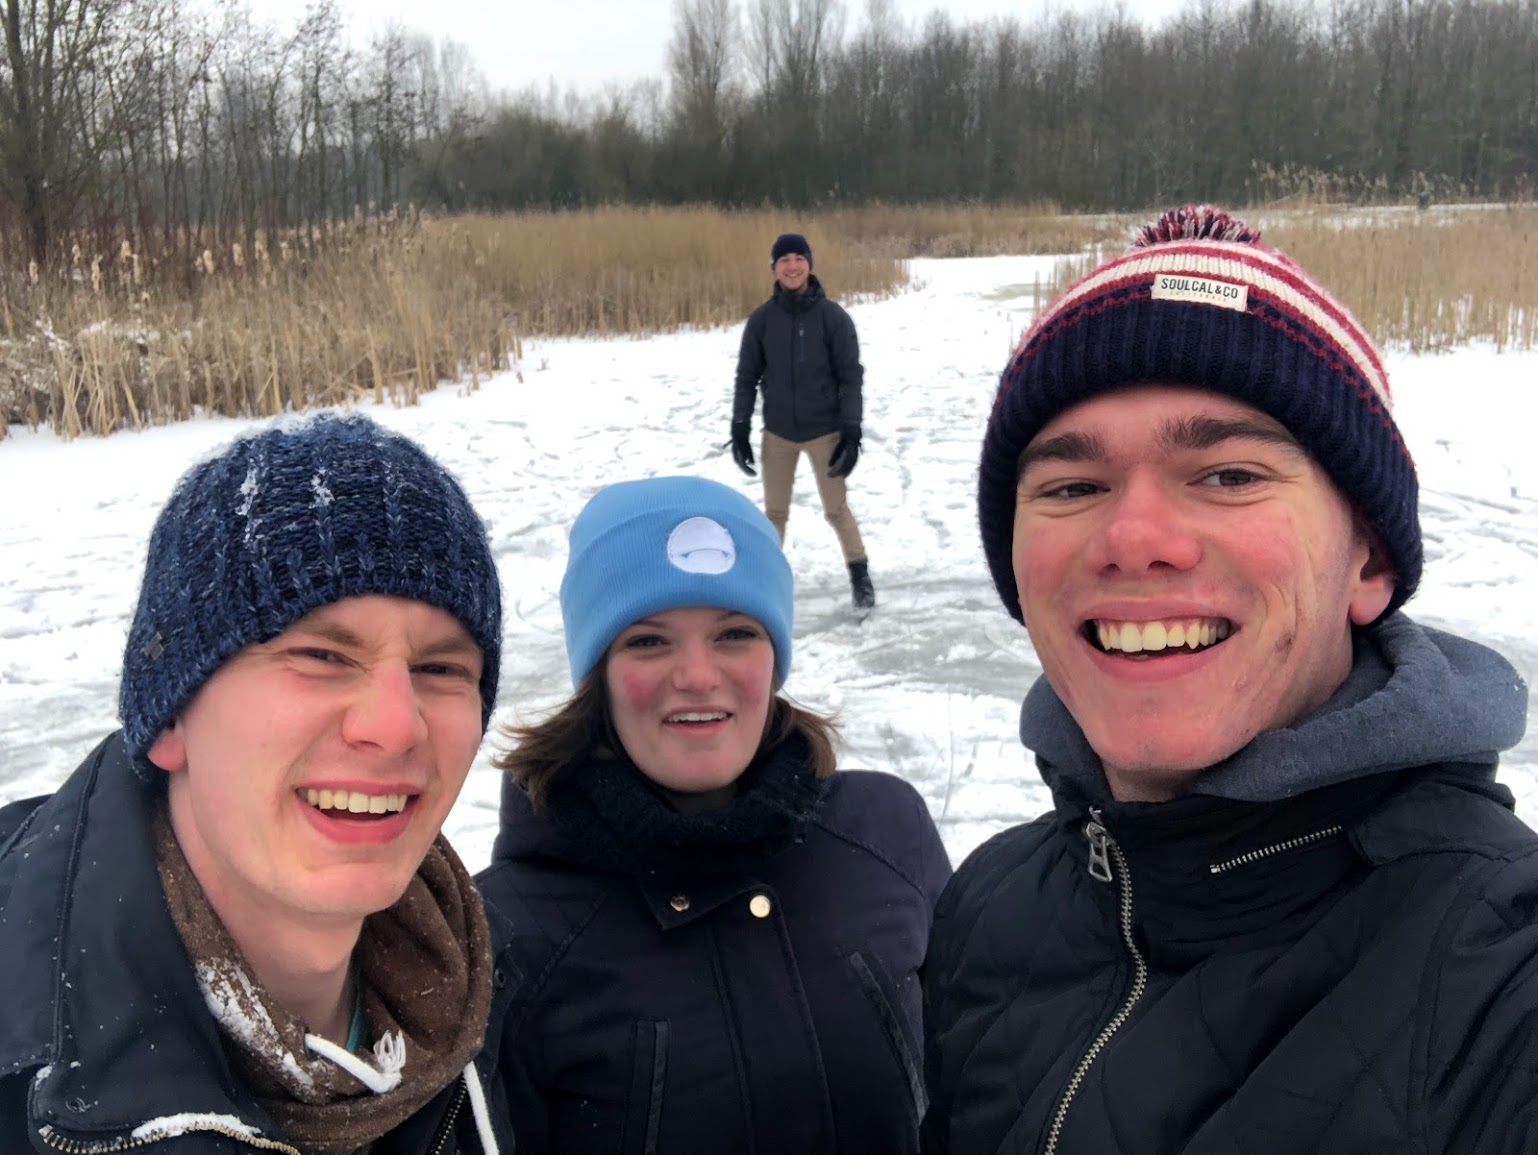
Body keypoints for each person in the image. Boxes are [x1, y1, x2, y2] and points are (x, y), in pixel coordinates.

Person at [921, 206, 1535, 1154]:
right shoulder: (992, 907)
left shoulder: (1500, 976)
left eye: (1228, 474)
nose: (1134, 540)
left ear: (1367, 561)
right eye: (1072, 487)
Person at [0, 413, 516, 1153]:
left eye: (441, 668)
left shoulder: (491, 989)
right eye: (321, 655)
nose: (397, 725)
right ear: (172, 714)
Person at [478, 475, 950, 1153]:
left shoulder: (885, 833)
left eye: (734, 633)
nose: (698, 675)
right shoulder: (512, 931)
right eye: (648, 640)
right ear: (598, 671)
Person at [731, 231, 876, 610]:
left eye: (798, 258)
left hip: (824, 432)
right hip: (778, 434)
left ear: (809, 264)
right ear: (775, 268)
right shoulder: (762, 321)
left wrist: (852, 431)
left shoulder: (833, 318)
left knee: (836, 509)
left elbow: (850, 377)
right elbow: (747, 377)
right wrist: (740, 428)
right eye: (784, 260)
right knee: (775, 513)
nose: (792, 266)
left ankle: (860, 576)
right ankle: (762, 584)